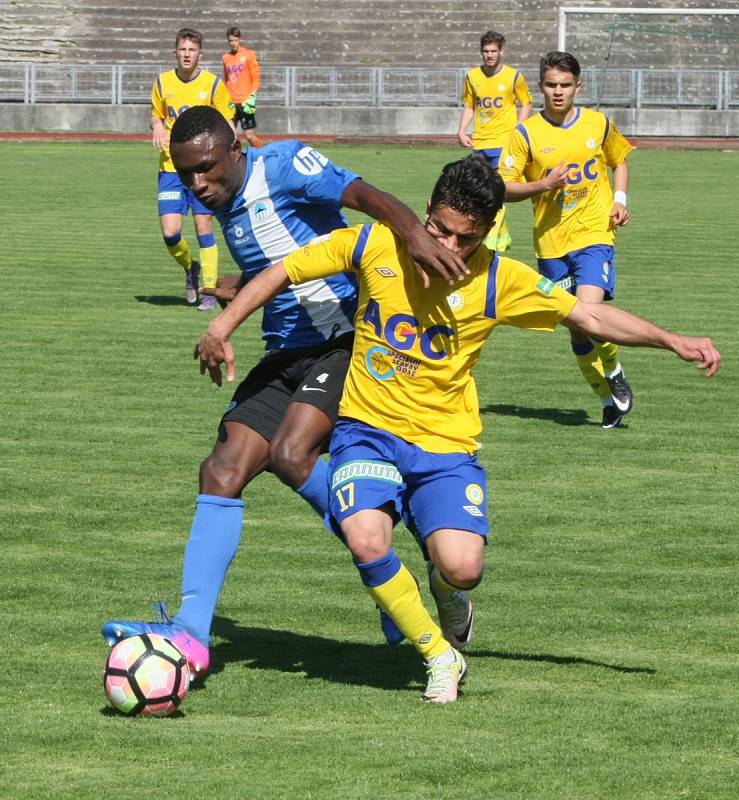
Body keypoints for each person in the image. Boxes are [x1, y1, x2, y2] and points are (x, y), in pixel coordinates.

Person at [192, 155, 720, 703]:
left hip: (444, 442)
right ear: (425, 211)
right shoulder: (377, 245)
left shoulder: (499, 279)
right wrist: (222, 323)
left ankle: (445, 593)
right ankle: (439, 656)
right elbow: (286, 269)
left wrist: (673, 341)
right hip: (366, 429)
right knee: (365, 537)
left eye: (461, 238)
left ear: (486, 232)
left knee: (464, 567)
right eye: (437, 229)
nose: (443, 246)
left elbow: (590, 317)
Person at [102, 106, 471, 677]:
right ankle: (192, 637)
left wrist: (416, 237)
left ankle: (387, 559)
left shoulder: (284, 165)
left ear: (234, 150)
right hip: (286, 352)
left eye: (206, 169)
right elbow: (284, 257)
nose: (198, 184)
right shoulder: (221, 198)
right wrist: (241, 286)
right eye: (185, 174)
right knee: (221, 469)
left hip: (349, 341)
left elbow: (364, 195)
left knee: (291, 452)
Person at [499, 50, 634, 428]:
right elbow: (502, 187)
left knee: (589, 314)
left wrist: (619, 201)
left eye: (565, 85)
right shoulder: (525, 134)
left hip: (594, 234)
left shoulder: (597, 123)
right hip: (551, 245)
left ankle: (613, 368)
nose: (558, 92)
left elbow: (619, 159)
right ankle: (607, 397)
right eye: (551, 85)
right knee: (576, 326)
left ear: (579, 86)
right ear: (541, 86)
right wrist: (542, 184)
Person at [152, 28, 233, 312]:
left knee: (203, 226)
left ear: (200, 53)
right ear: (175, 52)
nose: (187, 54)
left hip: (202, 169)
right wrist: (158, 125)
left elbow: (227, 122)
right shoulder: (163, 83)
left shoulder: (212, 85)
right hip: (170, 168)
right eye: (182, 49)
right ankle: (190, 267)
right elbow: (156, 114)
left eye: (192, 50)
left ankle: (209, 291)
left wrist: (227, 155)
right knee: (171, 233)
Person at [457, 30, 533, 252]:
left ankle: (491, 237)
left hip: (503, 143)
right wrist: (462, 130)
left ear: (502, 51)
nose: (489, 55)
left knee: (499, 189)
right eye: (485, 51)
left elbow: (526, 103)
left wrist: (518, 128)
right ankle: (501, 234)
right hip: (480, 142)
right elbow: (470, 105)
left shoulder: (513, 76)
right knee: (479, 189)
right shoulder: (472, 77)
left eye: (493, 51)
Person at [222, 26, 261, 148]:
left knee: (249, 135)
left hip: (245, 102)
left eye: (235, 40)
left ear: (239, 39)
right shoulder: (225, 58)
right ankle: (233, 162)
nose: (233, 43)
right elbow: (226, 79)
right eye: (231, 41)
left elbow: (255, 77)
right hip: (231, 103)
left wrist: (253, 95)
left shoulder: (249, 55)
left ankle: (263, 156)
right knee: (228, 136)